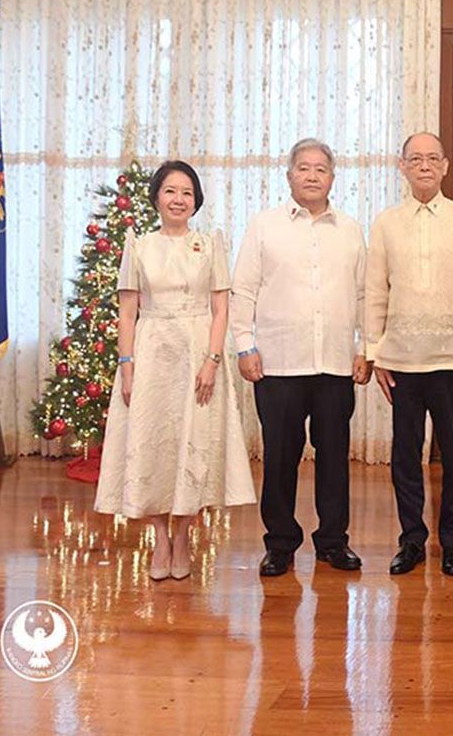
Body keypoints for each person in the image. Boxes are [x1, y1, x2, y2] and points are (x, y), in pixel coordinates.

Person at [95, 160, 256, 581]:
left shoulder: (210, 244)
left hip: (198, 353)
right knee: (151, 445)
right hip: (151, 353)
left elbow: (221, 308)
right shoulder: (140, 245)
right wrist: (127, 366)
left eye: (186, 192)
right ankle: (159, 539)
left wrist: (212, 359)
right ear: (157, 198)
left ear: (195, 200)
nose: (178, 199)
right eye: (170, 191)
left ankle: (183, 536)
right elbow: (127, 311)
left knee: (194, 442)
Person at [231, 138, 371, 577]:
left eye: (321, 169)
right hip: (277, 364)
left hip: (334, 365)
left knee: (334, 457)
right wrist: (244, 345)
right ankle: (280, 543)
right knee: (279, 458)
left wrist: (366, 347)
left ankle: (333, 541)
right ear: (289, 174)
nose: (312, 176)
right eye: (303, 168)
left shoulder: (349, 229)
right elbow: (244, 289)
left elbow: (365, 293)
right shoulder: (264, 225)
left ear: (333, 177)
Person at [365, 132, 453, 578]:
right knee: (405, 455)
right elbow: (375, 289)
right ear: (402, 167)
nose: (423, 166)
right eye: (414, 159)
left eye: (432, 158)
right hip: (401, 360)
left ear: (445, 166)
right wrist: (375, 351)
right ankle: (411, 539)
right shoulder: (386, 222)